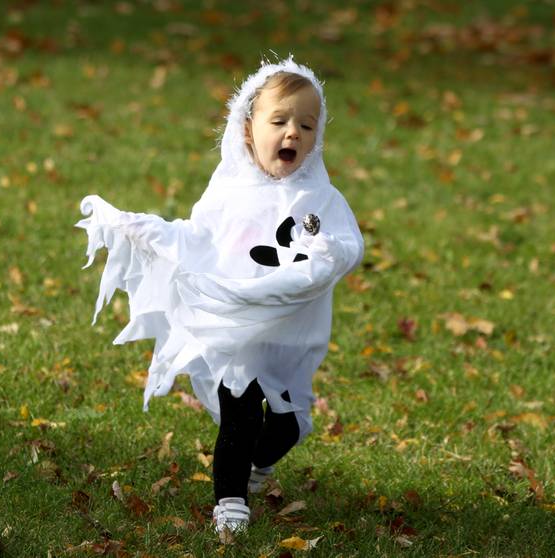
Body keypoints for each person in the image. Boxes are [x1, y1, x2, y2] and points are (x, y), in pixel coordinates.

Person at [76, 57, 364, 536]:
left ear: (318, 137)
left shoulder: (324, 200)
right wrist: (144, 230)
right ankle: (230, 502)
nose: (293, 132)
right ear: (248, 129)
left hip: (291, 334)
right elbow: (196, 238)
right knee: (241, 415)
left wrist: (328, 250)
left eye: (306, 125)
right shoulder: (229, 192)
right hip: (234, 330)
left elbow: (350, 247)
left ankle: (257, 464)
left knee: (288, 427)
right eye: (279, 121)